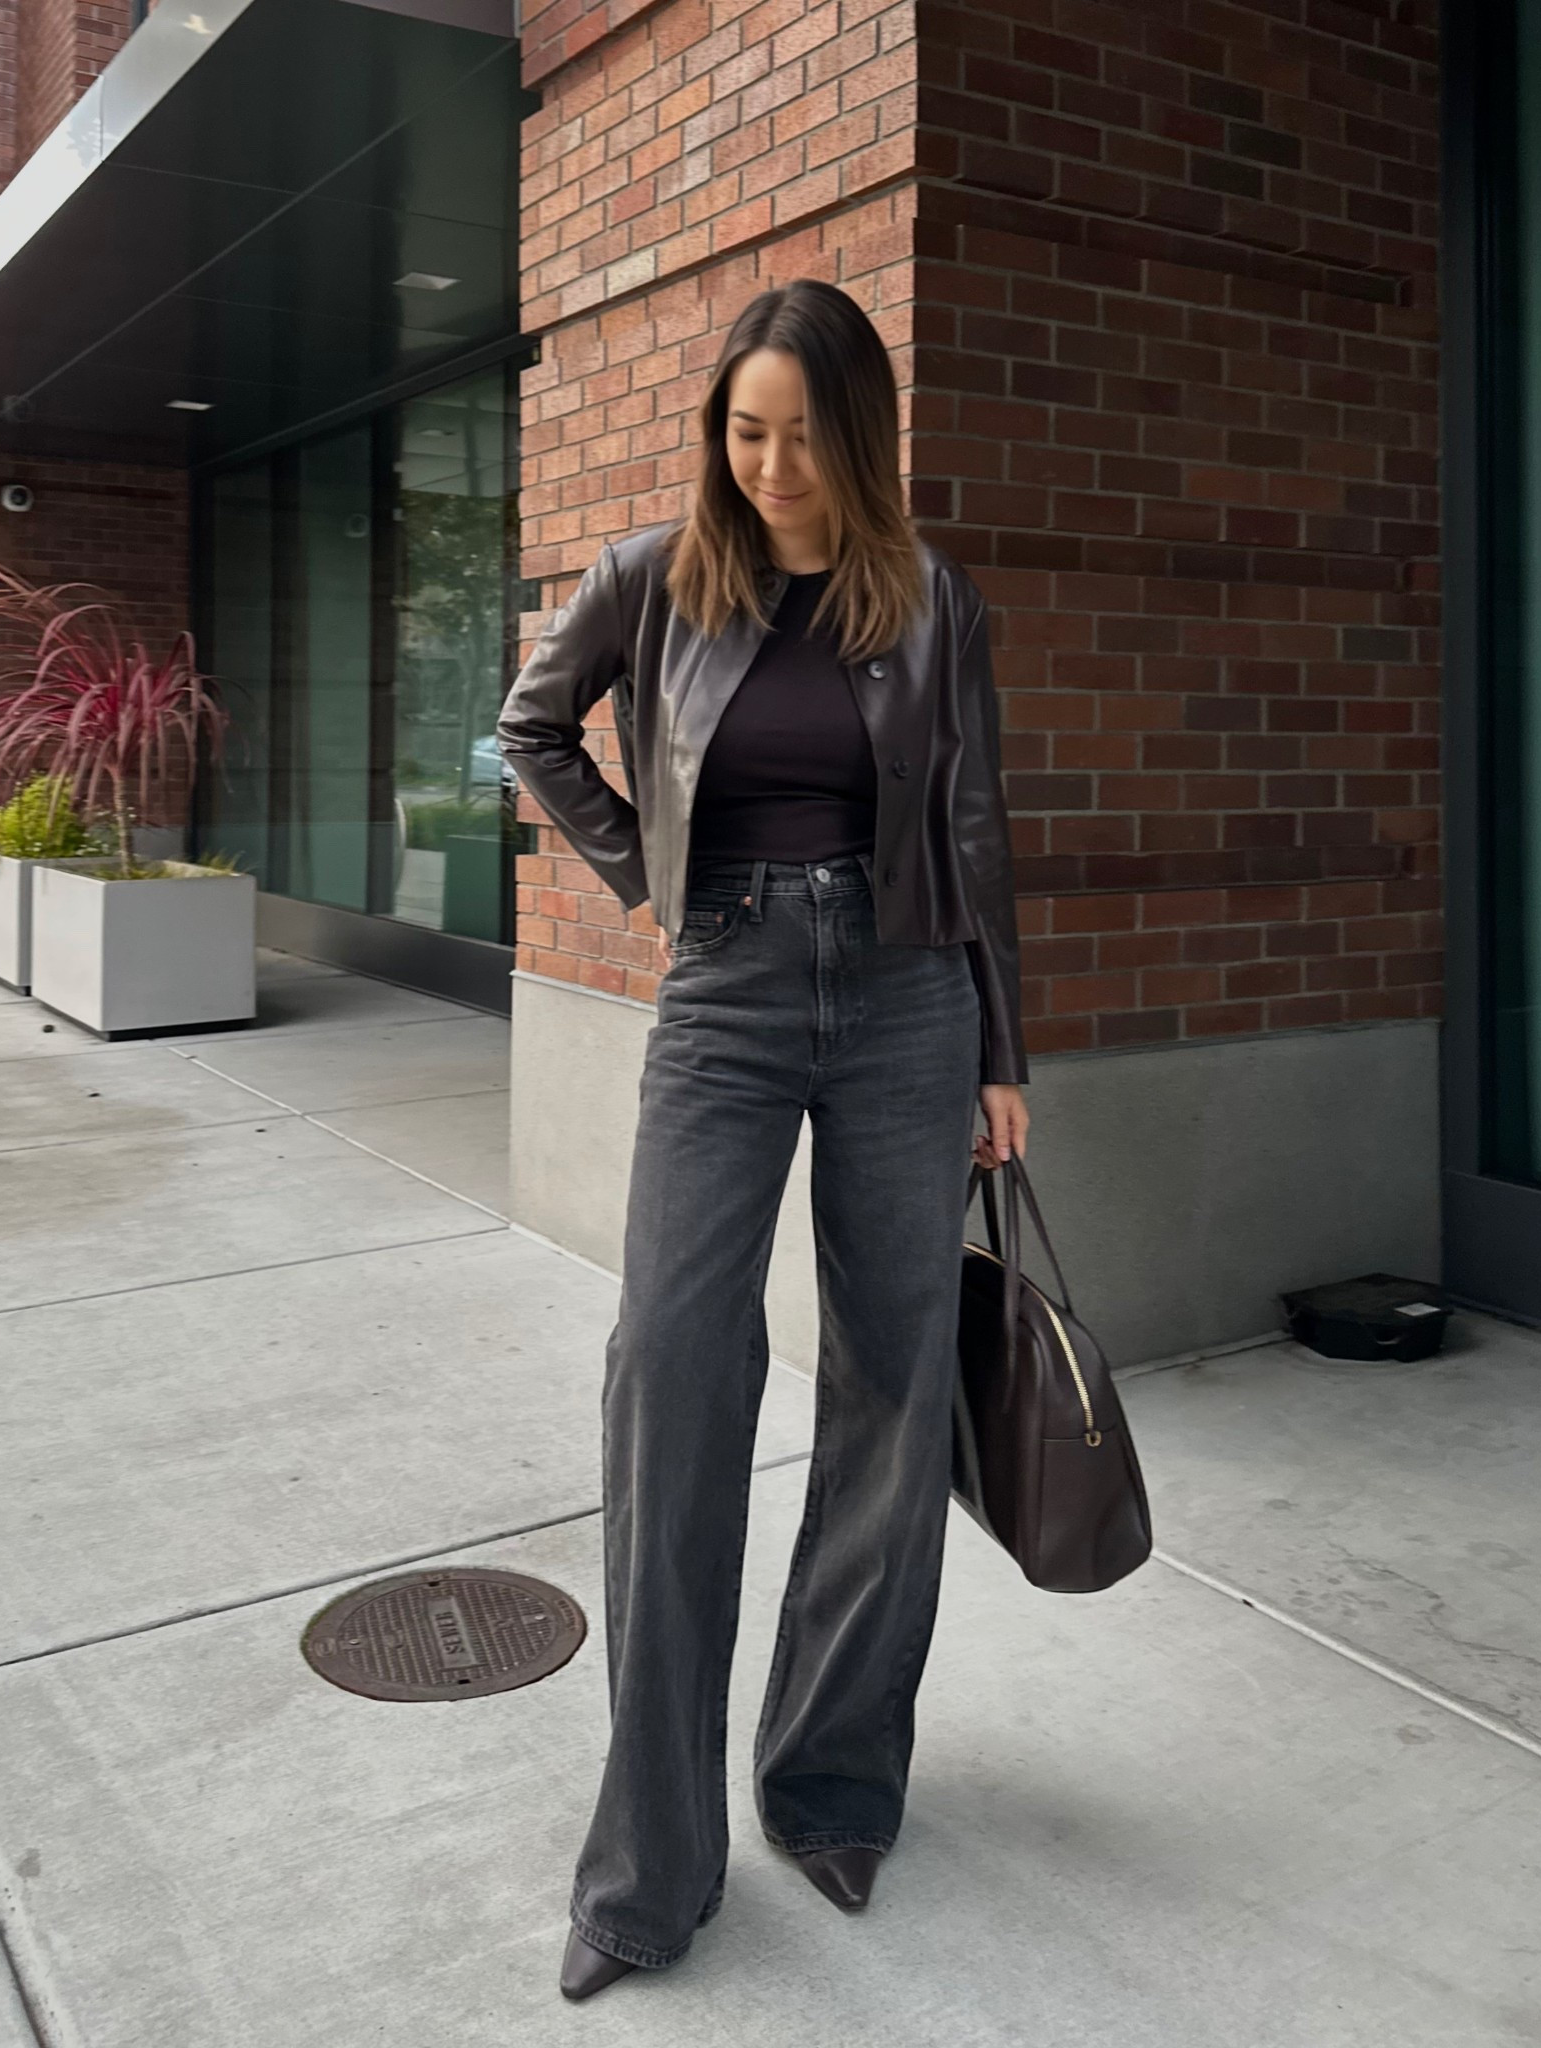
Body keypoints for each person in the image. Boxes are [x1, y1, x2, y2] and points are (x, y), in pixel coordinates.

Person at [494, 278, 1029, 2003]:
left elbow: (977, 830)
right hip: (724, 994)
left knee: (892, 1384)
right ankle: (648, 1869)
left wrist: (1002, 1052)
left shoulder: (929, 601)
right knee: (672, 1370)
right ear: (717, 430)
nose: (773, 463)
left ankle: (833, 1783)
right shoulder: (655, 579)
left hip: (903, 1003)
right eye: (746, 429)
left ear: (856, 435)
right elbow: (529, 729)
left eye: (803, 434)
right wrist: (648, 871)